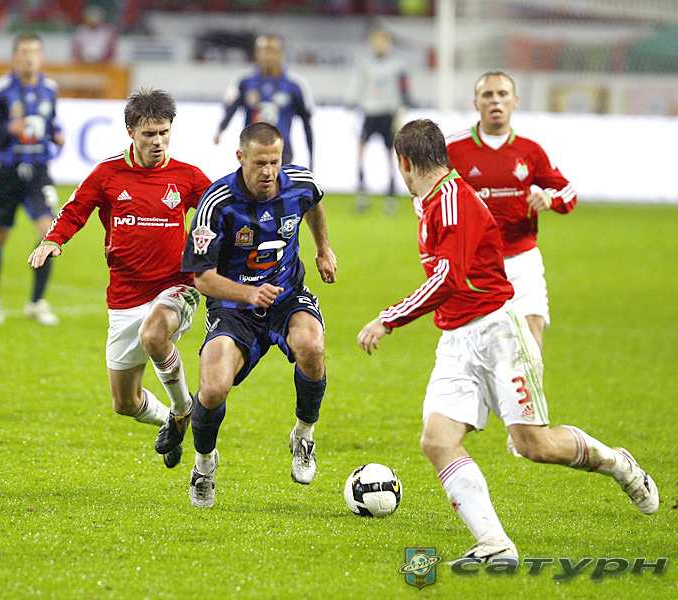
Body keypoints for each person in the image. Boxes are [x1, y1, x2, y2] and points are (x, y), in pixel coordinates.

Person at [357, 119, 658, 564]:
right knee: (437, 440)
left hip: (498, 336)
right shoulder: (432, 200)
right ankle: (495, 544)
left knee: (536, 446)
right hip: (455, 340)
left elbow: (448, 277)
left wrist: (389, 319)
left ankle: (618, 463)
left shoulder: (453, 202)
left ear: (403, 162)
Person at [27, 88, 212, 469]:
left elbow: (221, 211)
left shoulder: (187, 177)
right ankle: (170, 422)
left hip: (175, 284)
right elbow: (75, 210)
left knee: (154, 334)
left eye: (164, 132)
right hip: (125, 293)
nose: (158, 141)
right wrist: (53, 240)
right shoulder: (108, 174)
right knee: (125, 402)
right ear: (131, 132)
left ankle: (183, 409)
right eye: (149, 134)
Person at [177, 122, 337, 508]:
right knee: (213, 389)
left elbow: (314, 202)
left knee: (311, 346)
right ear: (241, 158)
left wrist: (323, 249)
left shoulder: (299, 183)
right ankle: (204, 464)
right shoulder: (217, 203)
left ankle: (304, 435)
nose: (269, 171)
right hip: (234, 308)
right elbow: (202, 278)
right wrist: (250, 293)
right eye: (260, 163)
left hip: (286, 296)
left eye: (274, 162)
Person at [446, 71, 575, 354]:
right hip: (473, 262)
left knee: (532, 333)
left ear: (514, 101)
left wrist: (549, 198)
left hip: (521, 258)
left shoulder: (530, 151)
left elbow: (567, 191)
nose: (496, 101)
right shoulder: (453, 149)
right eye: (488, 95)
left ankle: (530, 387)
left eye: (502, 94)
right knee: (477, 350)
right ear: (476, 103)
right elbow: (426, 194)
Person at [0, 32, 65, 326]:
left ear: (42, 57)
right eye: (24, 52)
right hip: (9, 171)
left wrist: (56, 134)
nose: (29, 57)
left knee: (47, 233)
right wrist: (6, 129)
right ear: (14, 57)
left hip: (39, 170)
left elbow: (50, 122)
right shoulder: (0, 89)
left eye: (34, 51)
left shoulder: (50, 88)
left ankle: (36, 302)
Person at [214, 35, 316, 169]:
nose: (267, 55)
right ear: (256, 53)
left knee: (276, 181)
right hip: (251, 151)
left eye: (272, 51)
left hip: (282, 152)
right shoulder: (245, 81)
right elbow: (231, 109)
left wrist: (311, 160)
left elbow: (306, 121)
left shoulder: (294, 85)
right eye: (263, 50)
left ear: (281, 54)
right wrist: (221, 129)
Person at [349, 25, 410, 214]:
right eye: (375, 42)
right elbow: (358, 87)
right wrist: (353, 104)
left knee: (391, 155)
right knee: (361, 152)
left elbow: (404, 88)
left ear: (388, 43)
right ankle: (362, 192)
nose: (379, 45)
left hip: (388, 112)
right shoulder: (364, 65)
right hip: (369, 112)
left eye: (382, 41)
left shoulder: (397, 66)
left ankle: (391, 194)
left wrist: (404, 108)